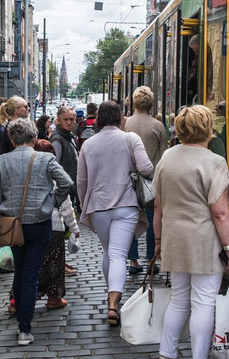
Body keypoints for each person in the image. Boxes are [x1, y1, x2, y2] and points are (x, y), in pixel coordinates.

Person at [153, 104, 229, 359]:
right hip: (203, 243)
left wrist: (158, 240)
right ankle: (198, 356)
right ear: (208, 129)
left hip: (174, 239)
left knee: (179, 299)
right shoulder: (214, 162)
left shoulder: (167, 158)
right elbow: (220, 213)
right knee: (203, 303)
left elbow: (158, 205)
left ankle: (166, 353)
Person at [0, 118, 73, 346]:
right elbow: (66, 182)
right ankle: (24, 329)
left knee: (21, 270)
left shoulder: (2, 161)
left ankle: (20, 312)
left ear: (12, 139)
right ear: (34, 138)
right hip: (39, 222)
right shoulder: (45, 158)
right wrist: (53, 201)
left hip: (12, 225)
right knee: (30, 273)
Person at [77, 100, 153, 326]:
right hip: (126, 204)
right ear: (121, 118)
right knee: (119, 254)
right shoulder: (130, 138)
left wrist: (84, 206)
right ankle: (113, 304)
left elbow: (81, 181)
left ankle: (111, 294)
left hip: (98, 206)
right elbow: (147, 168)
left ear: (98, 118)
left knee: (109, 252)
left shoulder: (88, 145)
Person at [124, 86, 169, 275]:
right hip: (151, 180)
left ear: (134, 104)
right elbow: (163, 157)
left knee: (131, 219)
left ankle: (133, 260)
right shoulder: (158, 126)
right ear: (151, 104)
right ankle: (151, 258)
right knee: (153, 220)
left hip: (129, 179)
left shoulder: (125, 125)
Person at [33, 139, 79, 310]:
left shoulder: (28, 173)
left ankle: (19, 298)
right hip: (54, 226)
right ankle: (54, 297)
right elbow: (66, 206)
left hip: (30, 224)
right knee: (54, 264)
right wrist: (74, 229)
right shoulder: (54, 174)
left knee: (30, 264)